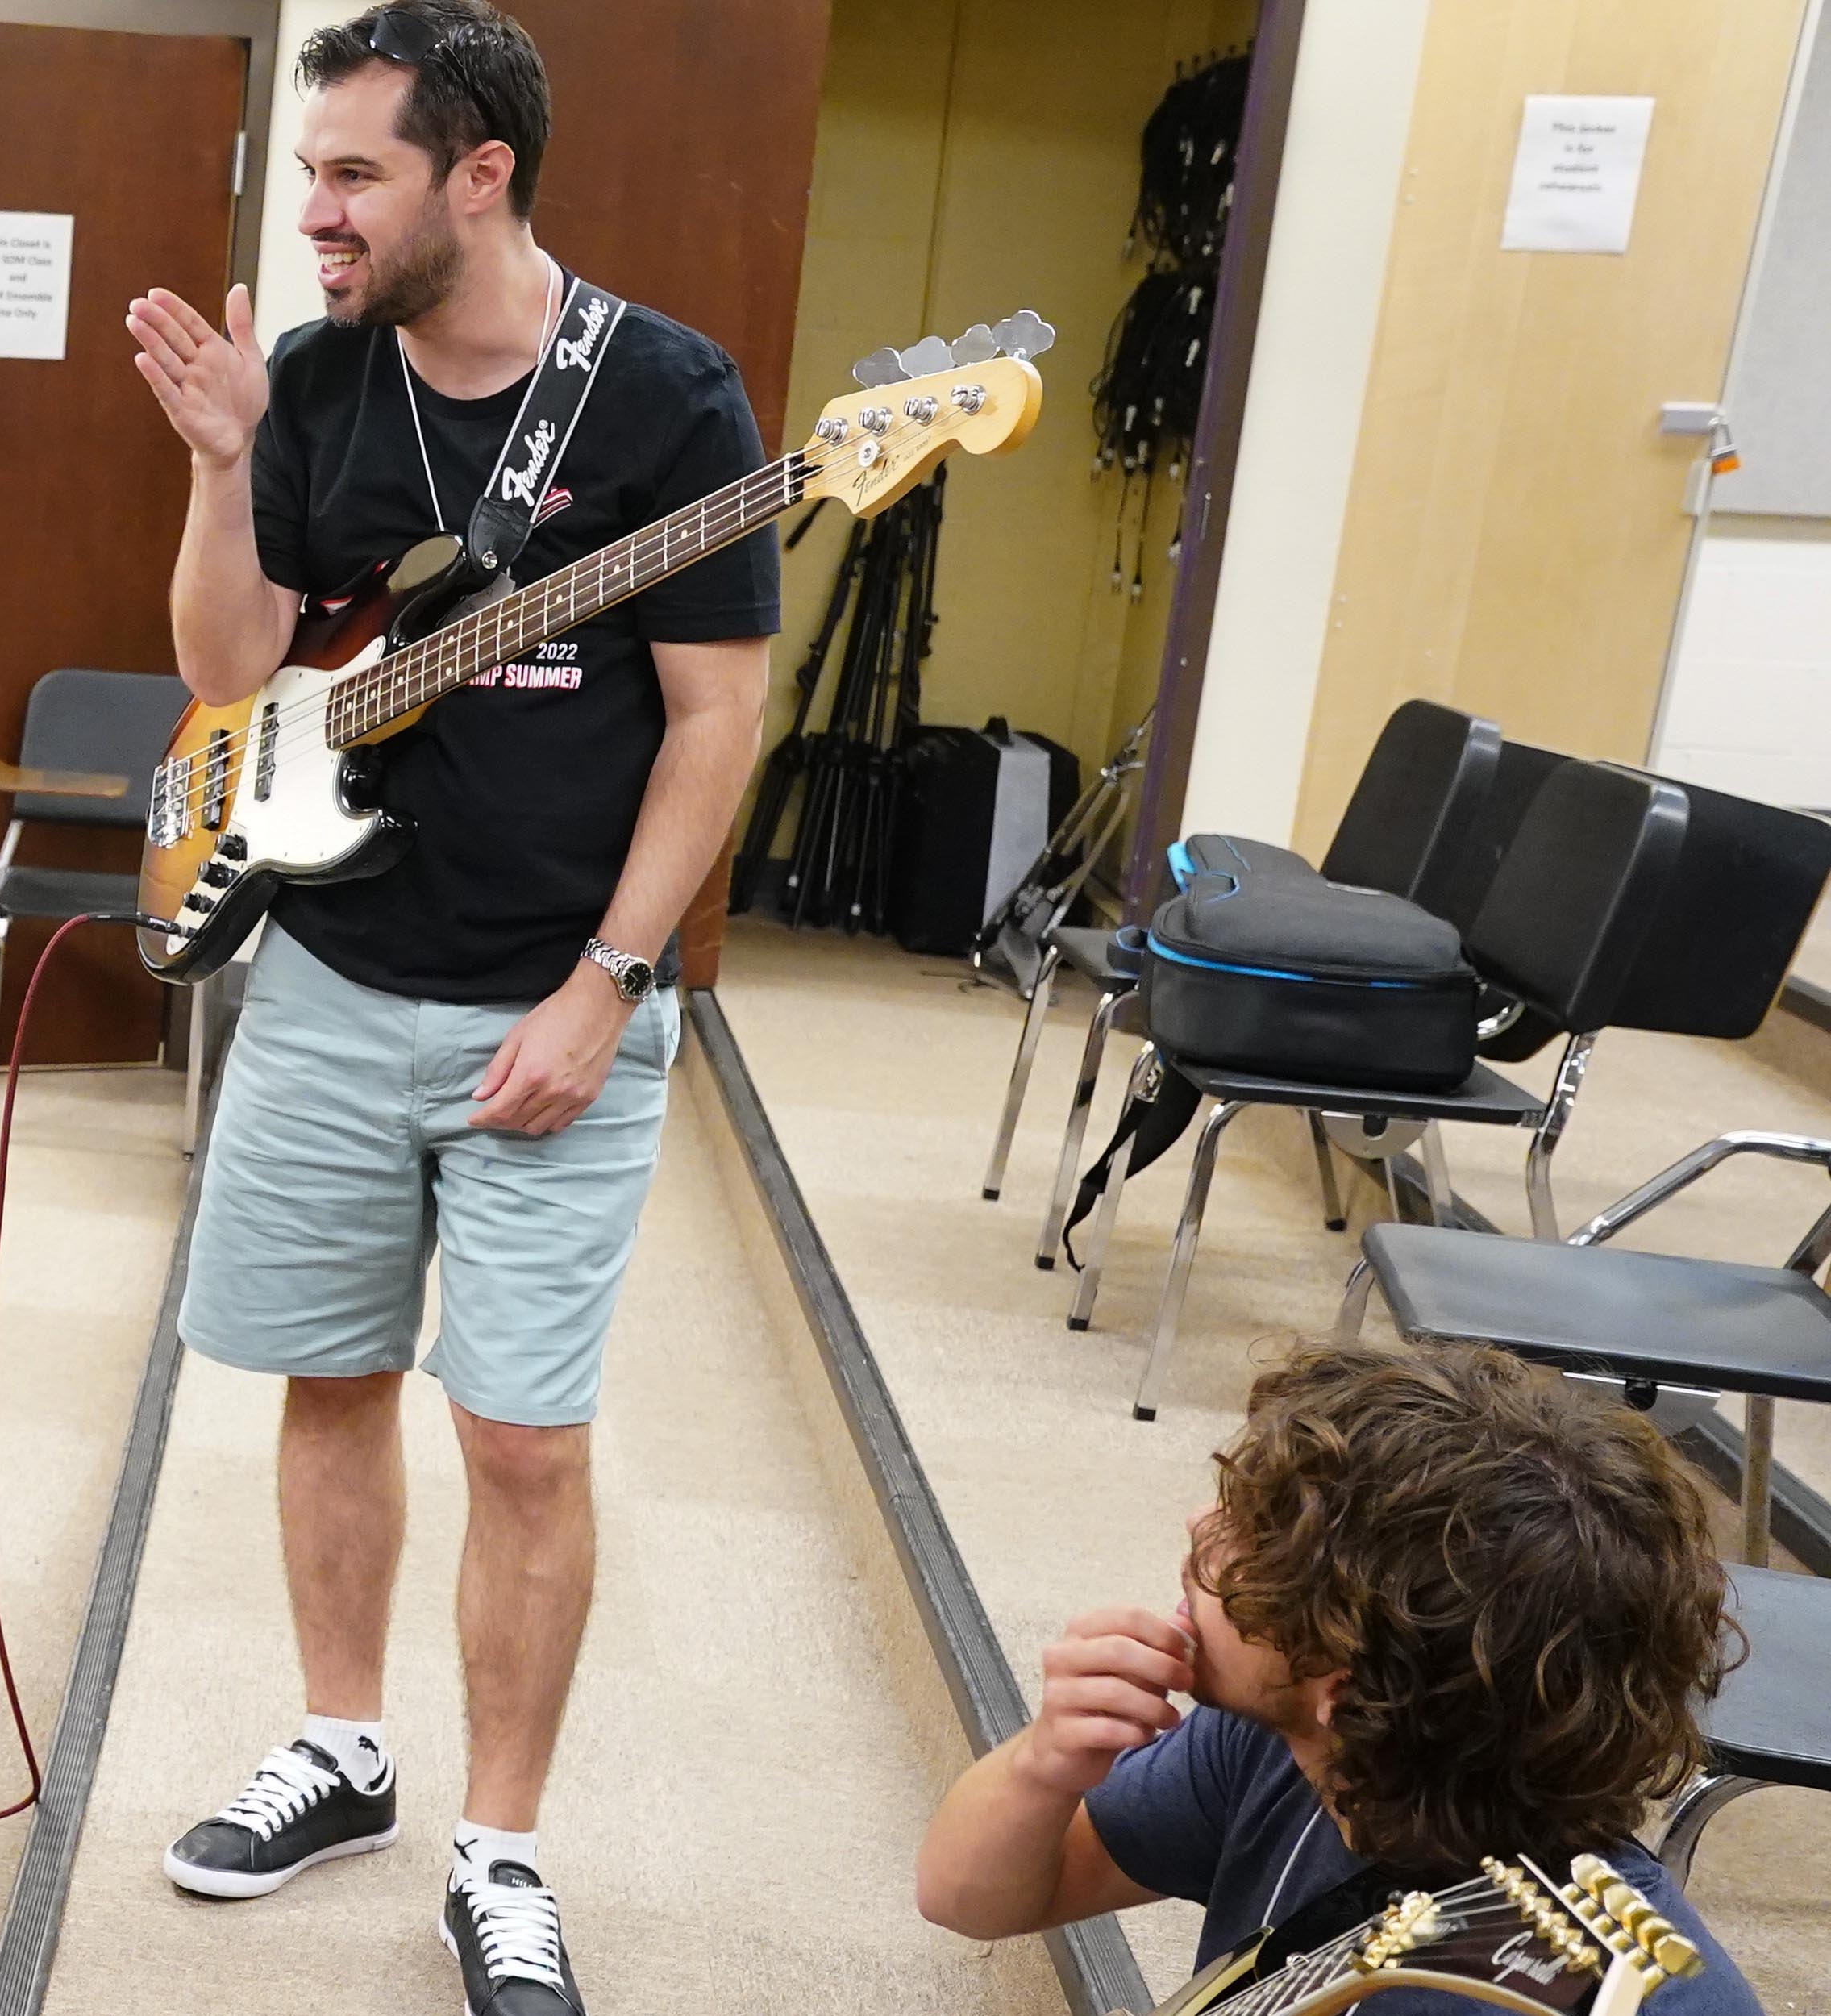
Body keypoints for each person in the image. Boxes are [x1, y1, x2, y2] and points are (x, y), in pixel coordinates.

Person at [118, 6, 774, 2010]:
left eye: (353, 177)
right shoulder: (317, 385)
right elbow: (238, 681)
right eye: (313, 174)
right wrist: (227, 466)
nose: (312, 211)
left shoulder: (666, 399)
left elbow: (716, 719)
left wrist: (612, 982)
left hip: (553, 1000)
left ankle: (502, 1849)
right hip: (326, 971)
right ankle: (341, 1747)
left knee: (522, 1445)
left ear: (476, 176)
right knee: (324, 1379)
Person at [917, 1343, 1758, 2015]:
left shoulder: (1578, 1990)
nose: (1201, 1526)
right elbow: (967, 1899)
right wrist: (1045, 1764)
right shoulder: (1281, 1744)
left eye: (1255, 1540)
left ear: (1344, 1686)